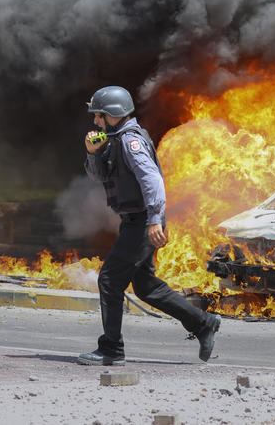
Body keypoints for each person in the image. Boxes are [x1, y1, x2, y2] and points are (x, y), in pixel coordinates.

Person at [78, 86, 221, 366]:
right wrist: (93, 153)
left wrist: (155, 219)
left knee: (109, 280)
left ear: (114, 114)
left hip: (143, 221)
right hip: (135, 221)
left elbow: (152, 180)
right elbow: (99, 176)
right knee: (146, 287)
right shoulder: (115, 138)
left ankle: (111, 350)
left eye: (99, 115)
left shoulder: (130, 141)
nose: (95, 121)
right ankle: (203, 323)